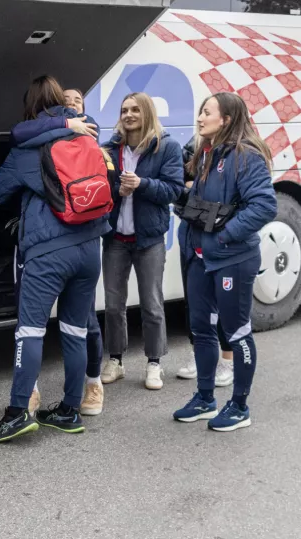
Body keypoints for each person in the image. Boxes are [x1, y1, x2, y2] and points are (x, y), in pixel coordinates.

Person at [0, 75, 109, 443]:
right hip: (90, 245)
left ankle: (17, 412)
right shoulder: (87, 132)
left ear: (31, 109)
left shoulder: (28, 147)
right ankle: (70, 410)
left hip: (48, 250)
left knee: (30, 330)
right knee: (74, 329)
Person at [172, 92, 277, 432]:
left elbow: (263, 206)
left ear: (226, 120)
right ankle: (205, 398)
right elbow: (210, 202)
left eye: (206, 112)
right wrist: (184, 198)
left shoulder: (246, 156)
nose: (200, 118)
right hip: (201, 256)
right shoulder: (206, 153)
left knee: (235, 332)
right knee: (201, 328)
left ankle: (240, 406)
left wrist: (223, 236)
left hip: (232, 257)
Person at [98, 92, 184, 391]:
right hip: (115, 239)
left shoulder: (167, 146)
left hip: (149, 239)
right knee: (112, 304)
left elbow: (174, 190)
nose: (129, 114)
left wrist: (142, 184)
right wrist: (116, 193)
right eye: (124, 110)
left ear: (147, 112)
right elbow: (99, 189)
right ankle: (116, 360)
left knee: (151, 304)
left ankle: (154, 363)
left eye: (135, 109)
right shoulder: (109, 149)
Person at [176, 136, 234, 387]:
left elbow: (231, 197)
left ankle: (228, 360)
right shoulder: (195, 146)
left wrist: (200, 193)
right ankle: (197, 353)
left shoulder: (239, 153)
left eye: (207, 113)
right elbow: (178, 180)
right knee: (194, 297)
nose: (201, 119)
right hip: (191, 230)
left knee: (223, 300)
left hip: (220, 235)